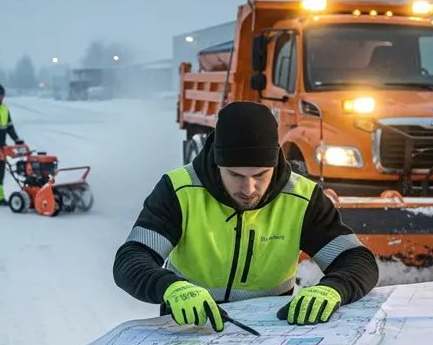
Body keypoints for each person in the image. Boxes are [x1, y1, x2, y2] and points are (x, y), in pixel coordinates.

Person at [113, 101, 379, 331]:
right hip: (191, 327)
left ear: (275, 162)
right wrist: (170, 287)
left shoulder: (303, 197)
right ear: (217, 164)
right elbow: (131, 259)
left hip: (271, 333)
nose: (249, 189)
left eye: (260, 175)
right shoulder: (179, 189)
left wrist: (333, 288)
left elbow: (357, 260)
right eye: (235, 175)